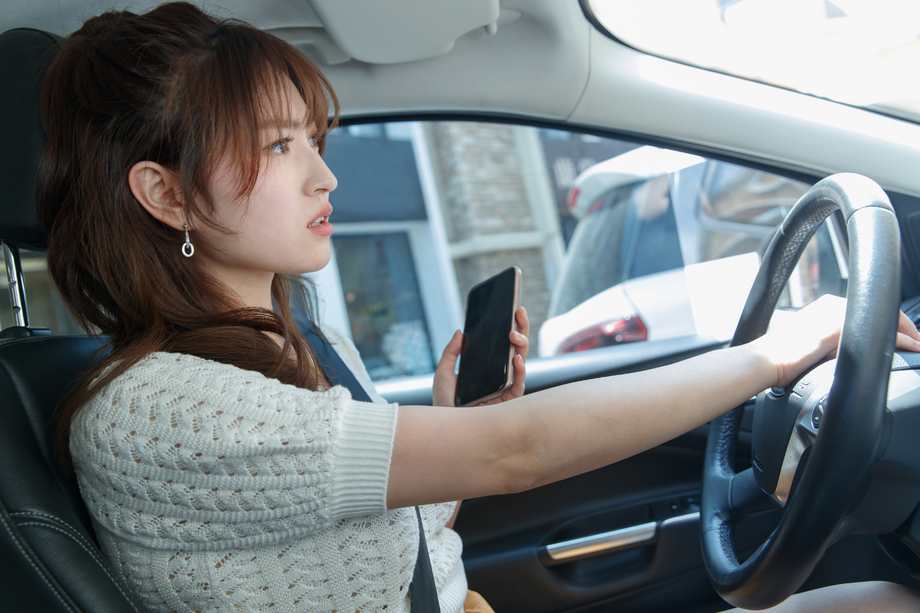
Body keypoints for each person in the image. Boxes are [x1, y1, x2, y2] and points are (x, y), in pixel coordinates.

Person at [35, 3, 920, 612]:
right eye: (277, 144)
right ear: (165, 195)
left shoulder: (294, 340)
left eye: (314, 136)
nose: (325, 173)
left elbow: (386, 544)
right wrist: (780, 352)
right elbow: (519, 455)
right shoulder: (157, 408)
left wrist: (455, 422)